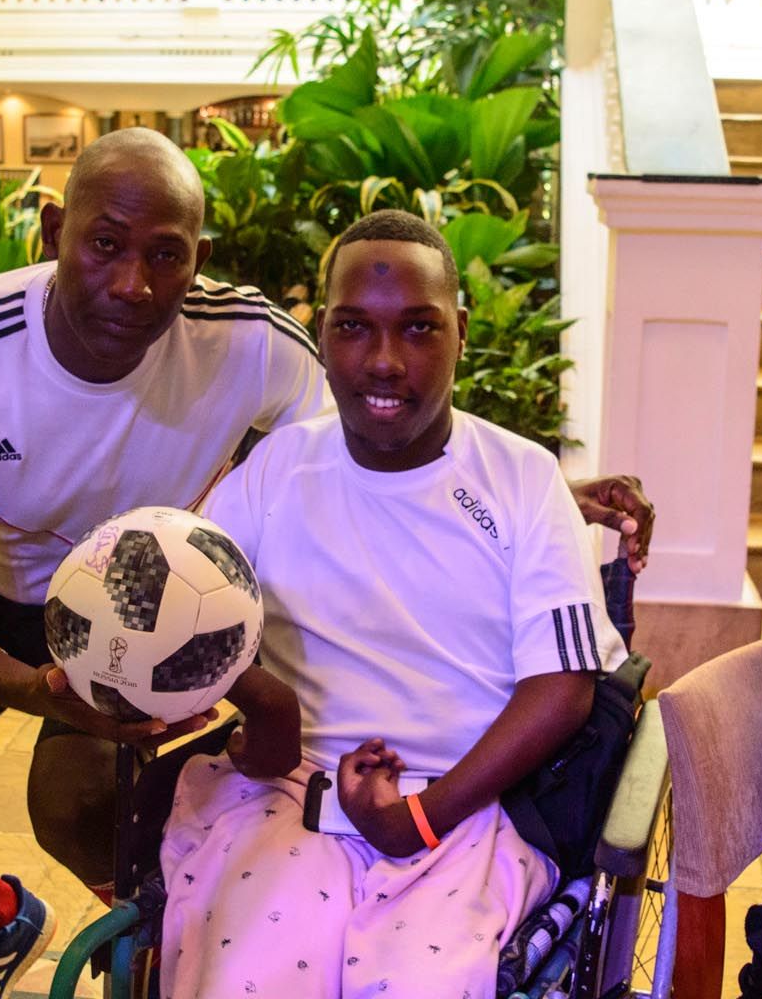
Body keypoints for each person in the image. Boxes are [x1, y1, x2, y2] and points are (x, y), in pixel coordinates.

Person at [0, 129, 653, 999]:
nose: (134, 283)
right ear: (51, 231)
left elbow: (381, 437)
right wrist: (21, 682)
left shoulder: (256, 343)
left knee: (79, 799)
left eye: (166, 256)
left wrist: (532, 488)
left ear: (197, 260)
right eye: (104, 244)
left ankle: (160, 936)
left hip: (163, 588)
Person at [158, 209, 623, 998]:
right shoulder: (279, 470)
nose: (383, 362)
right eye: (352, 329)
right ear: (321, 335)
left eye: (417, 329)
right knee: (244, 975)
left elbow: (564, 689)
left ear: (461, 332)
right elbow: (188, 611)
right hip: (289, 798)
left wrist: (423, 815)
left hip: (469, 812)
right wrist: (265, 708)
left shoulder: (521, 479)